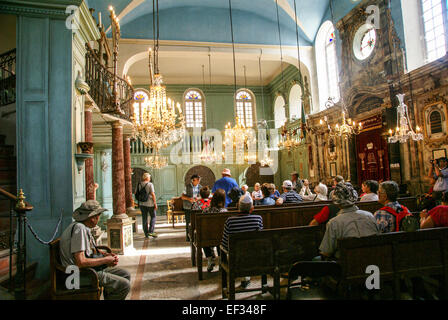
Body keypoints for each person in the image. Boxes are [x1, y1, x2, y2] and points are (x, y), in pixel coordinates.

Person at [59, 200, 131, 300]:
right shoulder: (79, 229)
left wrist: (104, 255)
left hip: (85, 271)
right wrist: (106, 260)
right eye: (98, 216)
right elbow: (81, 262)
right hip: (76, 276)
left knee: (125, 274)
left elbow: (87, 252)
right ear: (93, 218)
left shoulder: (81, 227)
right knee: (124, 285)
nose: (98, 218)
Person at [319, 182, 379, 259]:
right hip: (372, 260)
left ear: (336, 202)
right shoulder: (370, 216)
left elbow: (326, 252)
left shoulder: (334, 223)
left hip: (346, 265)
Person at [221, 194, 263, 288]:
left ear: (237, 207)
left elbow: (224, 244)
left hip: (235, 258)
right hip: (255, 256)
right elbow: (261, 240)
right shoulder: (258, 219)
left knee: (241, 253)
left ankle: (244, 277)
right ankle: (246, 278)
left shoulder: (230, 221)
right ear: (252, 208)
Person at [202, 189, 228, 272]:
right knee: (220, 235)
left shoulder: (206, 210)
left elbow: (202, 226)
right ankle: (221, 260)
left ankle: (210, 260)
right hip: (222, 237)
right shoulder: (224, 211)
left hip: (208, 237)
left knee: (204, 236)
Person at [136, 172, 158, 238]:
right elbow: (153, 194)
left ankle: (146, 233)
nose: (150, 178)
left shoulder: (139, 184)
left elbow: (136, 193)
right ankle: (151, 231)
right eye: (149, 177)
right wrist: (155, 203)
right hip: (150, 204)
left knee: (144, 218)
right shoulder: (150, 184)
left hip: (142, 204)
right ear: (147, 178)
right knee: (153, 216)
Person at [181, 174, 202, 241]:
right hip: (188, 207)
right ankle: (188, 237)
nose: (199, 181)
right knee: (188, 222)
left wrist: (198, 198)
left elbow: (202, 196)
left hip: (197, 207)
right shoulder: (187, 187)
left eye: (199, 180)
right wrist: (189, 199)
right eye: (197, 180)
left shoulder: (200, 187)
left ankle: (196, 237)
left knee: (197, 222)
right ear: (193, 180)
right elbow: (182, 197)